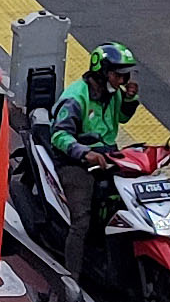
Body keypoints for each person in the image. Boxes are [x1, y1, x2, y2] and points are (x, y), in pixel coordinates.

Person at [45, 43, 142, 263]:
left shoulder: (114, 93)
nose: (123, 81)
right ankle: (71, 282)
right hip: (75, 162)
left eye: (126, 76)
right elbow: (59, 136)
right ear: (102, 72)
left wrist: (129, 100)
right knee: (81, 220)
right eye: (119, 75)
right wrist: (85, 153)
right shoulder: (75, 98)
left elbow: (122, 119)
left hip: (108, 156)